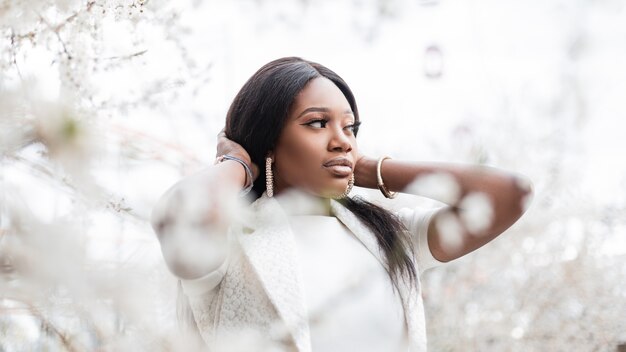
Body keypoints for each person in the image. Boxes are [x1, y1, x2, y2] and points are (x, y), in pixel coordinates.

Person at [150, 57, 533, 352]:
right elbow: (179, 217)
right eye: (317, 123)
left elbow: (510, 193)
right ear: (267, 141)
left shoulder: (391, 238)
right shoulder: (229, 241)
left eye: (350, 127)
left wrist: (373, 169)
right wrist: (236, 164)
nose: (343, 140)